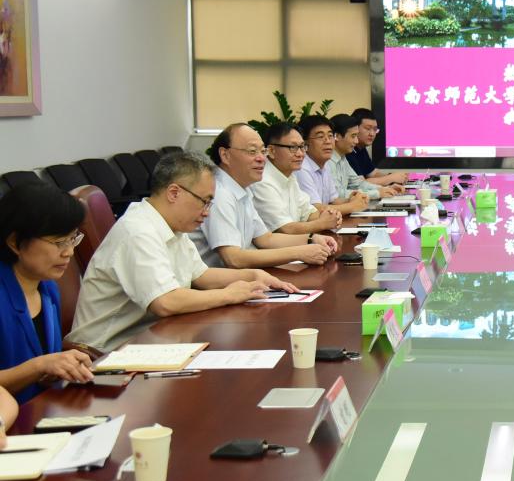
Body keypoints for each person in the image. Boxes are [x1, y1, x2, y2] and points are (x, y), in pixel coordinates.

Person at [66, 152, 302, 355]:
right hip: (104, 354)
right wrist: (230, 294)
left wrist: (254, 276)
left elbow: (200, 275)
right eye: (204, 201)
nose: (207, 212)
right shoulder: (138, 231)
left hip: (149, 338)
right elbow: (166, 302)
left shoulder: (173, 226)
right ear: (174, 193)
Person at [190, 124, 338, 269]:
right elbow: (233, 258)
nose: (261, 158)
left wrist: (312, 239)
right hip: (215, 282)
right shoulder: (218, 192)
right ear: (225, 155)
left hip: (240, 277)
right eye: (252, 151)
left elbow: (266, 239)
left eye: (262, 151)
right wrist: (298, 253)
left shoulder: (242, 187)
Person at [0, 182, 94, 402]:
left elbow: (44, 368)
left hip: (45, 406)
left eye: (73, 238)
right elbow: (38, 366)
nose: (69, 252)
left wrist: (61, 367)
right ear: (15, 242)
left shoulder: (47, 286)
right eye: (59, 242)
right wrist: (38, 367)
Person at [251, 122, 343, 234]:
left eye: (302, 147)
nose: (300, 154)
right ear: (271, 151)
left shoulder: (289, 175)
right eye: (293, 147)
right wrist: (322, 223)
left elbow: (308, 212)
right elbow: (285, 229)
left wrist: (331, 216)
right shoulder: (262, 181)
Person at [294, 115, 370, 216]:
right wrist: (352, 206)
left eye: (330, 136)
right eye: (320, 137)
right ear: (305, 143)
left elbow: (333, 200)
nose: (328, 141)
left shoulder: (325, 165)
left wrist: (352, 199)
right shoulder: (302, 168)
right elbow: (315, 209)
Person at [329, 113, 402, 200]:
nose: (356, 141)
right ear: (336, 136)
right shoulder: (327, 161)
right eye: (353, 136)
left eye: (356, 136)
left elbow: (358, 183)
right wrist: (377, 193)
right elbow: (337, 195)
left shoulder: (342, 158)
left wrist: (383, 189)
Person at [347, 108, 406, 186]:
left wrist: (395, 176)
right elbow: (361, 184)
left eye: (375, 129)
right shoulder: (348, 150)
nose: (372, 134)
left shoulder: (361, 148)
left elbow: (373, 173)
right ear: (355, 128)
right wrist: (391, 178)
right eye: (368, 129)